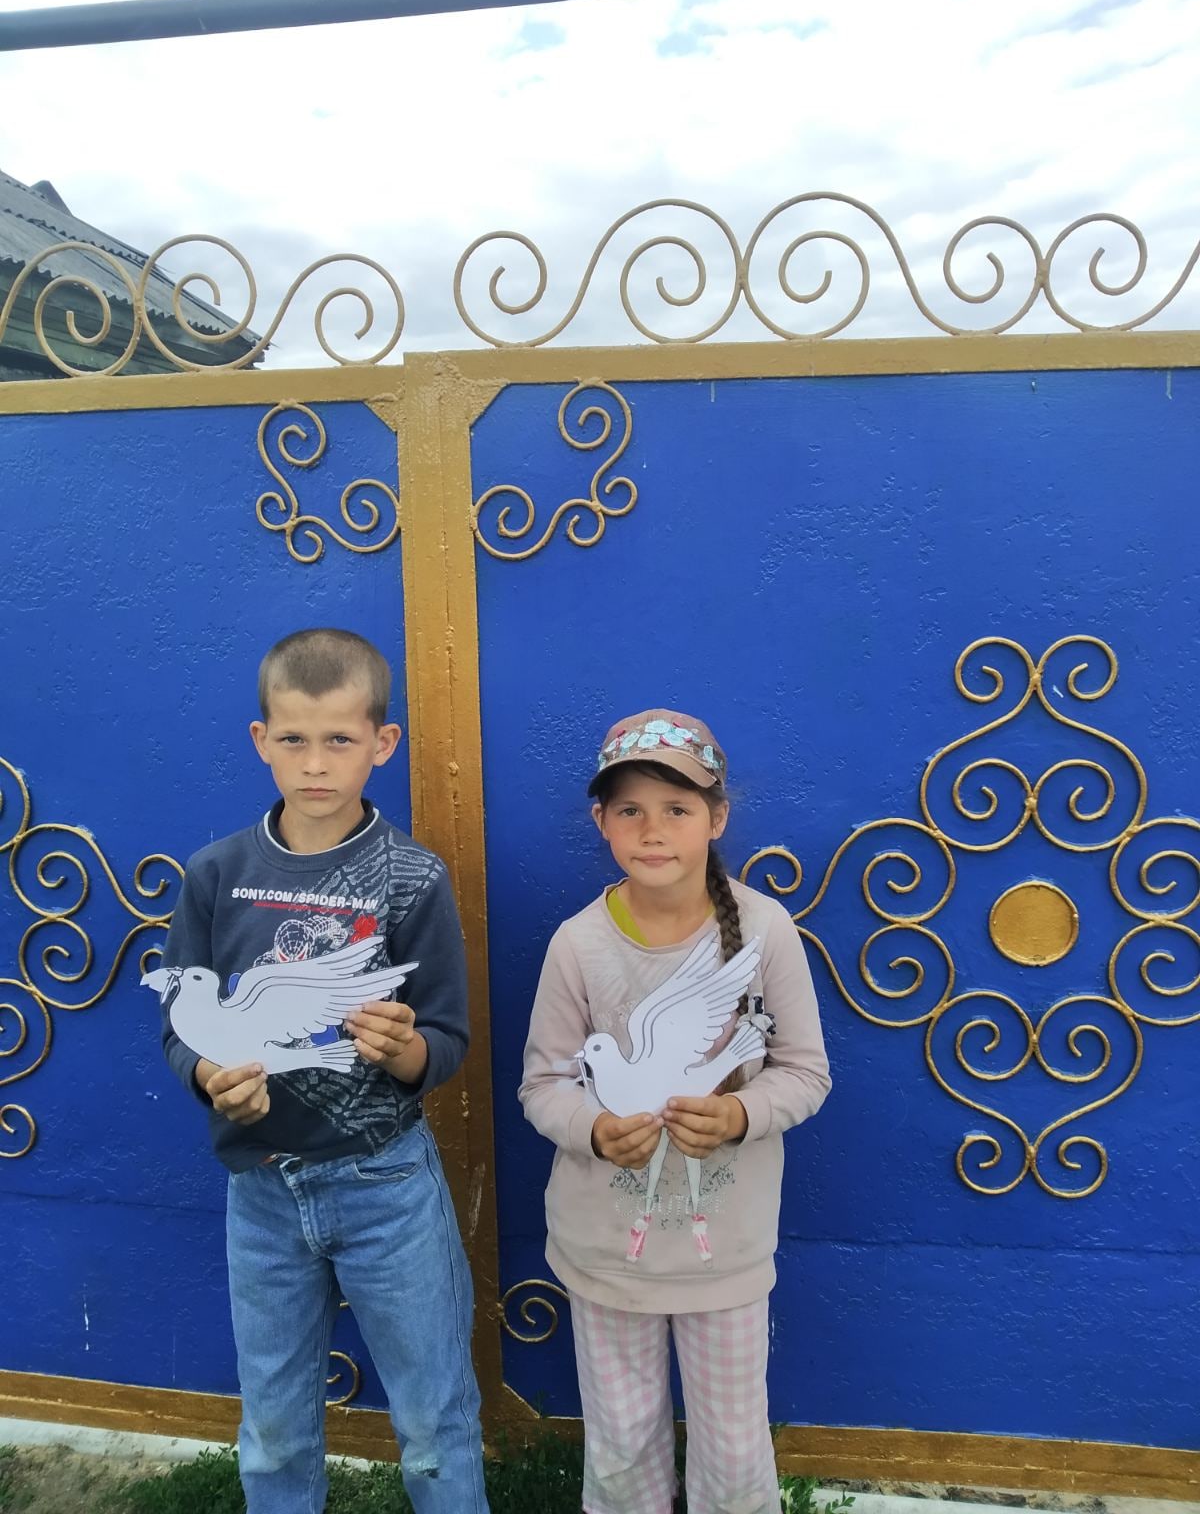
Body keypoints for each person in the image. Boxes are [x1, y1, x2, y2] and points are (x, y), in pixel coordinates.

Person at [158, 627, 489, 1514]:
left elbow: (446, 1038)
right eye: (294, 738)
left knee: (433, 1424)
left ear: (383, 743)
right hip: (261, 1190)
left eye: (340, 739)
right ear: (260, 740)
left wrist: (403, 1047)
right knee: (273, 1432)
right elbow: (181, 1028)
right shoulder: (215, 875)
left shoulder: (412, 878)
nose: (315, 763)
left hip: (386, 1185)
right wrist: (208, 1076)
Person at [519, 709, 831, 1514]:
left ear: (717, 817)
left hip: (723, 1258)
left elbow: (805, 1072)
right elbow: (543, 1085)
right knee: (622, 1441)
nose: (652, 830)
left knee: (732, 1443)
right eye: (629, 809)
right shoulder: (578, 944)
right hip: (606, 1256)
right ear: (602, 821)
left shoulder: (765, 931)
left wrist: (740, 1116)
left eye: (677, 808)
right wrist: (593, 1130)